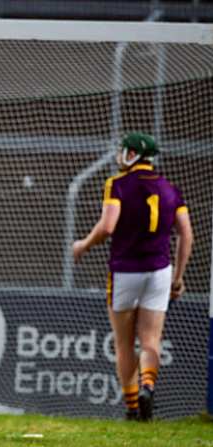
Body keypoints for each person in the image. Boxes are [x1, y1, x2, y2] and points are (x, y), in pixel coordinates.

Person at [73, 132, 193, 421]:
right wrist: (178, 277)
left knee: (124, 342)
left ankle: (130, 407)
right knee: (151, 340)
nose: (120, 155)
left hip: (125, 271)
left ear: (133, 154)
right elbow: (187, 235)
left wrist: (83, 244)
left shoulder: (117, 184)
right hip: (159, 271)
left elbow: (107, 227)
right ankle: (147, 386)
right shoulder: (170, 189)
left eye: (124, 151)